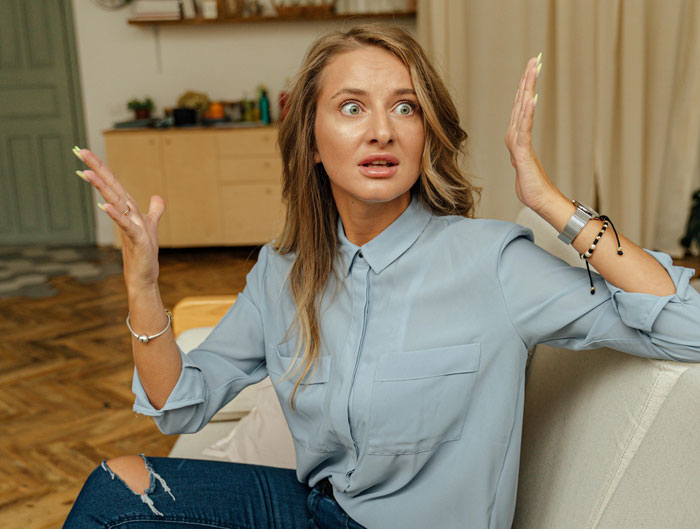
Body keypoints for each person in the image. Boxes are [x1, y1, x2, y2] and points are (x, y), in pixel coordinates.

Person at [63, 24, 700, 529]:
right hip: (318, 510)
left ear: (426, 135)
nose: (381, 131)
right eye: (350, 107)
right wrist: (143, 288)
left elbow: (688, 325)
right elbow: (179, 404)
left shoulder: (493, 262)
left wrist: (550, 203)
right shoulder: (284, 272)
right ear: (311, 140)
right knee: (117, 488)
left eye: (404, 108)